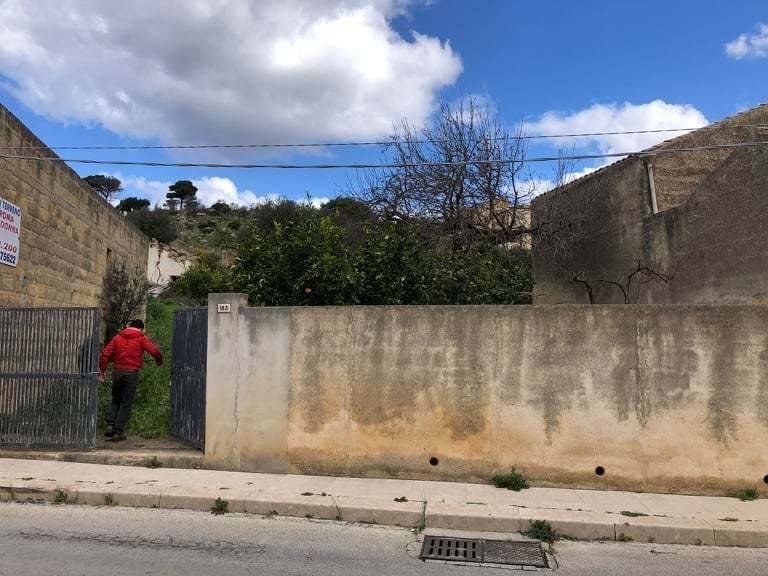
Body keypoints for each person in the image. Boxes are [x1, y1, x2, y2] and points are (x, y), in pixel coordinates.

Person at [99, 319, 163, 442]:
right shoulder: (141, 338)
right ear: (141, 329)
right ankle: (118, 431)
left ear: (130, 327)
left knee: (116, 399)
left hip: (117, 372)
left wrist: (102, 370)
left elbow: (105, 354)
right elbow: (154, 351)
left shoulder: (118, 337)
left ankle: (110, 425)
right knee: (126, 402)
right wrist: (159, 361)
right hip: (131, 373)